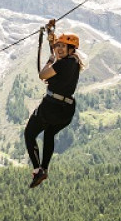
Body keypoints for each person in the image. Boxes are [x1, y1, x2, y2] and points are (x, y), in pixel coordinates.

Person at [24, 32, 85, 188]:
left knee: (30, 134)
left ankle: (38, 169)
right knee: (49, 133)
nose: (59, 48)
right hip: (67, 110)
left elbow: (42, 75)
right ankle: (44, 168)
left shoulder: (61, 63)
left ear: (71, 49)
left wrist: (50, 59)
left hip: (51, 106)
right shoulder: (74, 62)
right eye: (58, 46)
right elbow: (59, 62)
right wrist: (53, 37)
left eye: (62, 46)